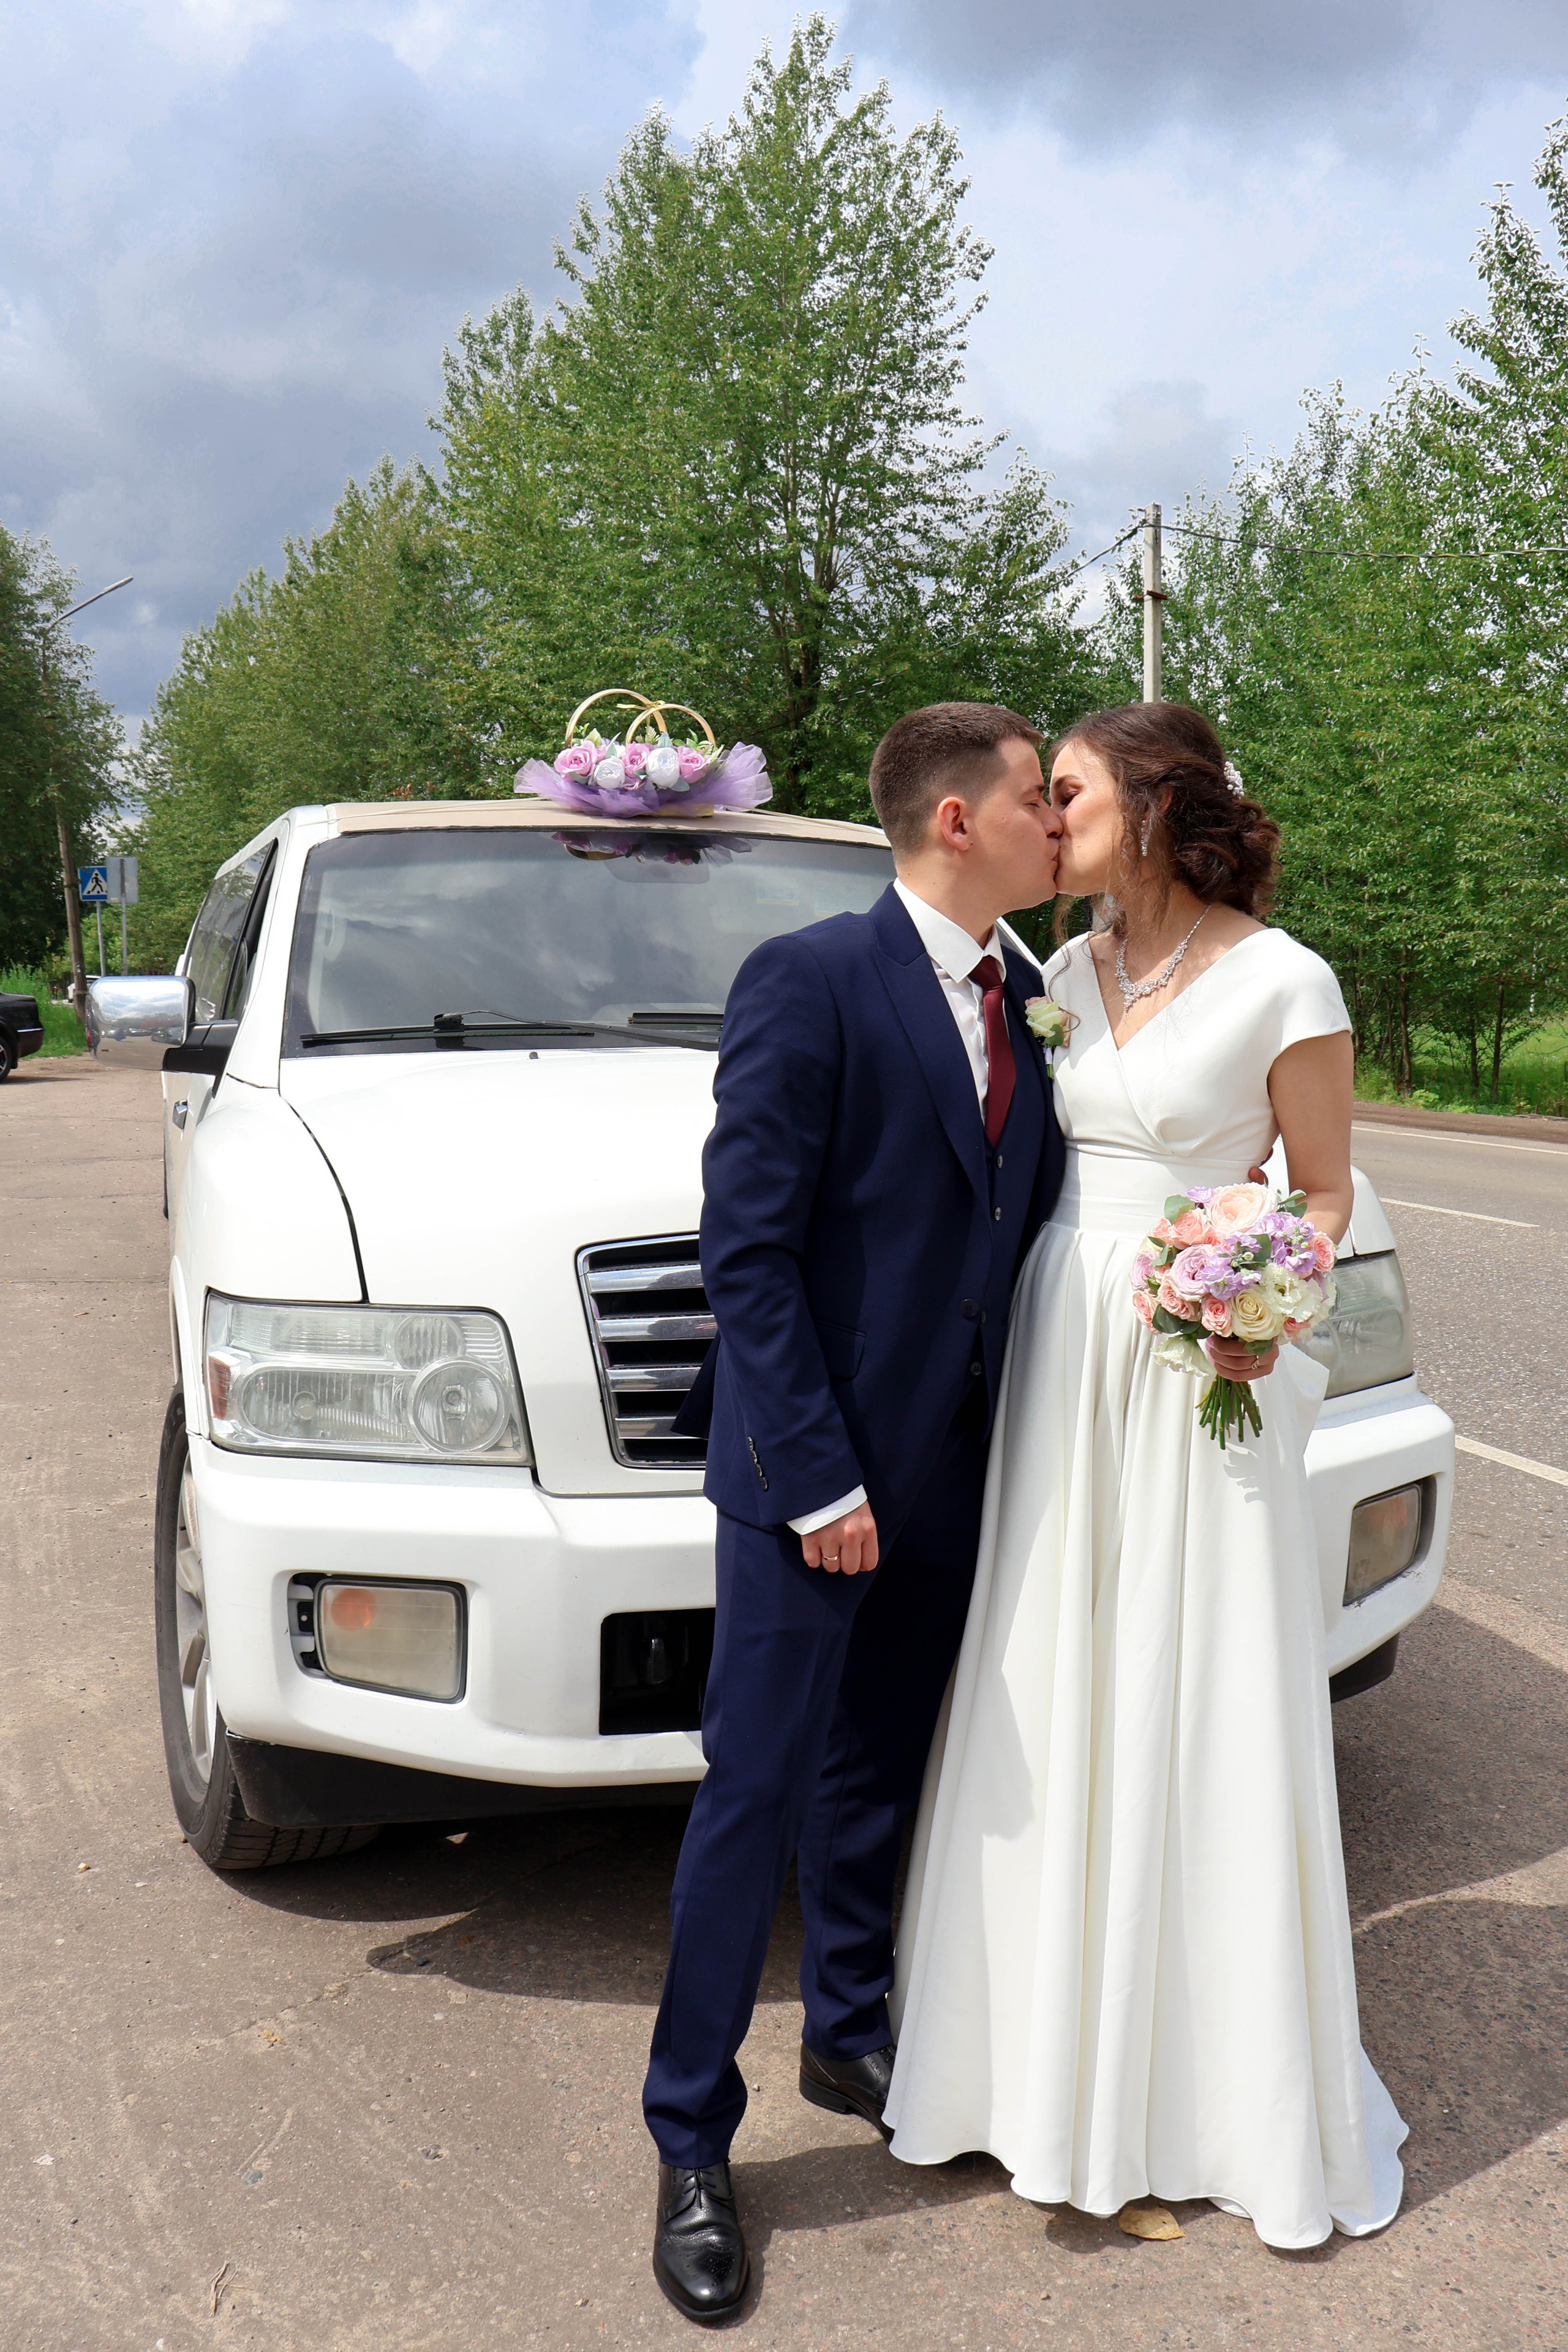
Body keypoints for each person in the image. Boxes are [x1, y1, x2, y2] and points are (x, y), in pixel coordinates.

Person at [883, 700, 1408, 2249]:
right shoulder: (1059, 974)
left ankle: (1198, 2094)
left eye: (1071, 792)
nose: (1051, 820)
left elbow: (1321, 1192)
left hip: (1194, 1363)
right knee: (1050, 1675)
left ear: (1157, 804)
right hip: (1061, 1354)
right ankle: (1024, 2074)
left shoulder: (1284, 979)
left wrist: (1254, 1293)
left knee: (1194, 1686)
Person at [643, 703, 1065, 2321]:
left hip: (959, 1466)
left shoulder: (1033, 997)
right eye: (1035, 799)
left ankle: (848, 2032)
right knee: (752, 1797)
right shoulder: (809, 978)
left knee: (880, 1768)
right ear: (956, 820)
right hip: (808, 1481)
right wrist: (819, 1475)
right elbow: (744, 1251)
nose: (1057, 824)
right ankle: (692, 2139)